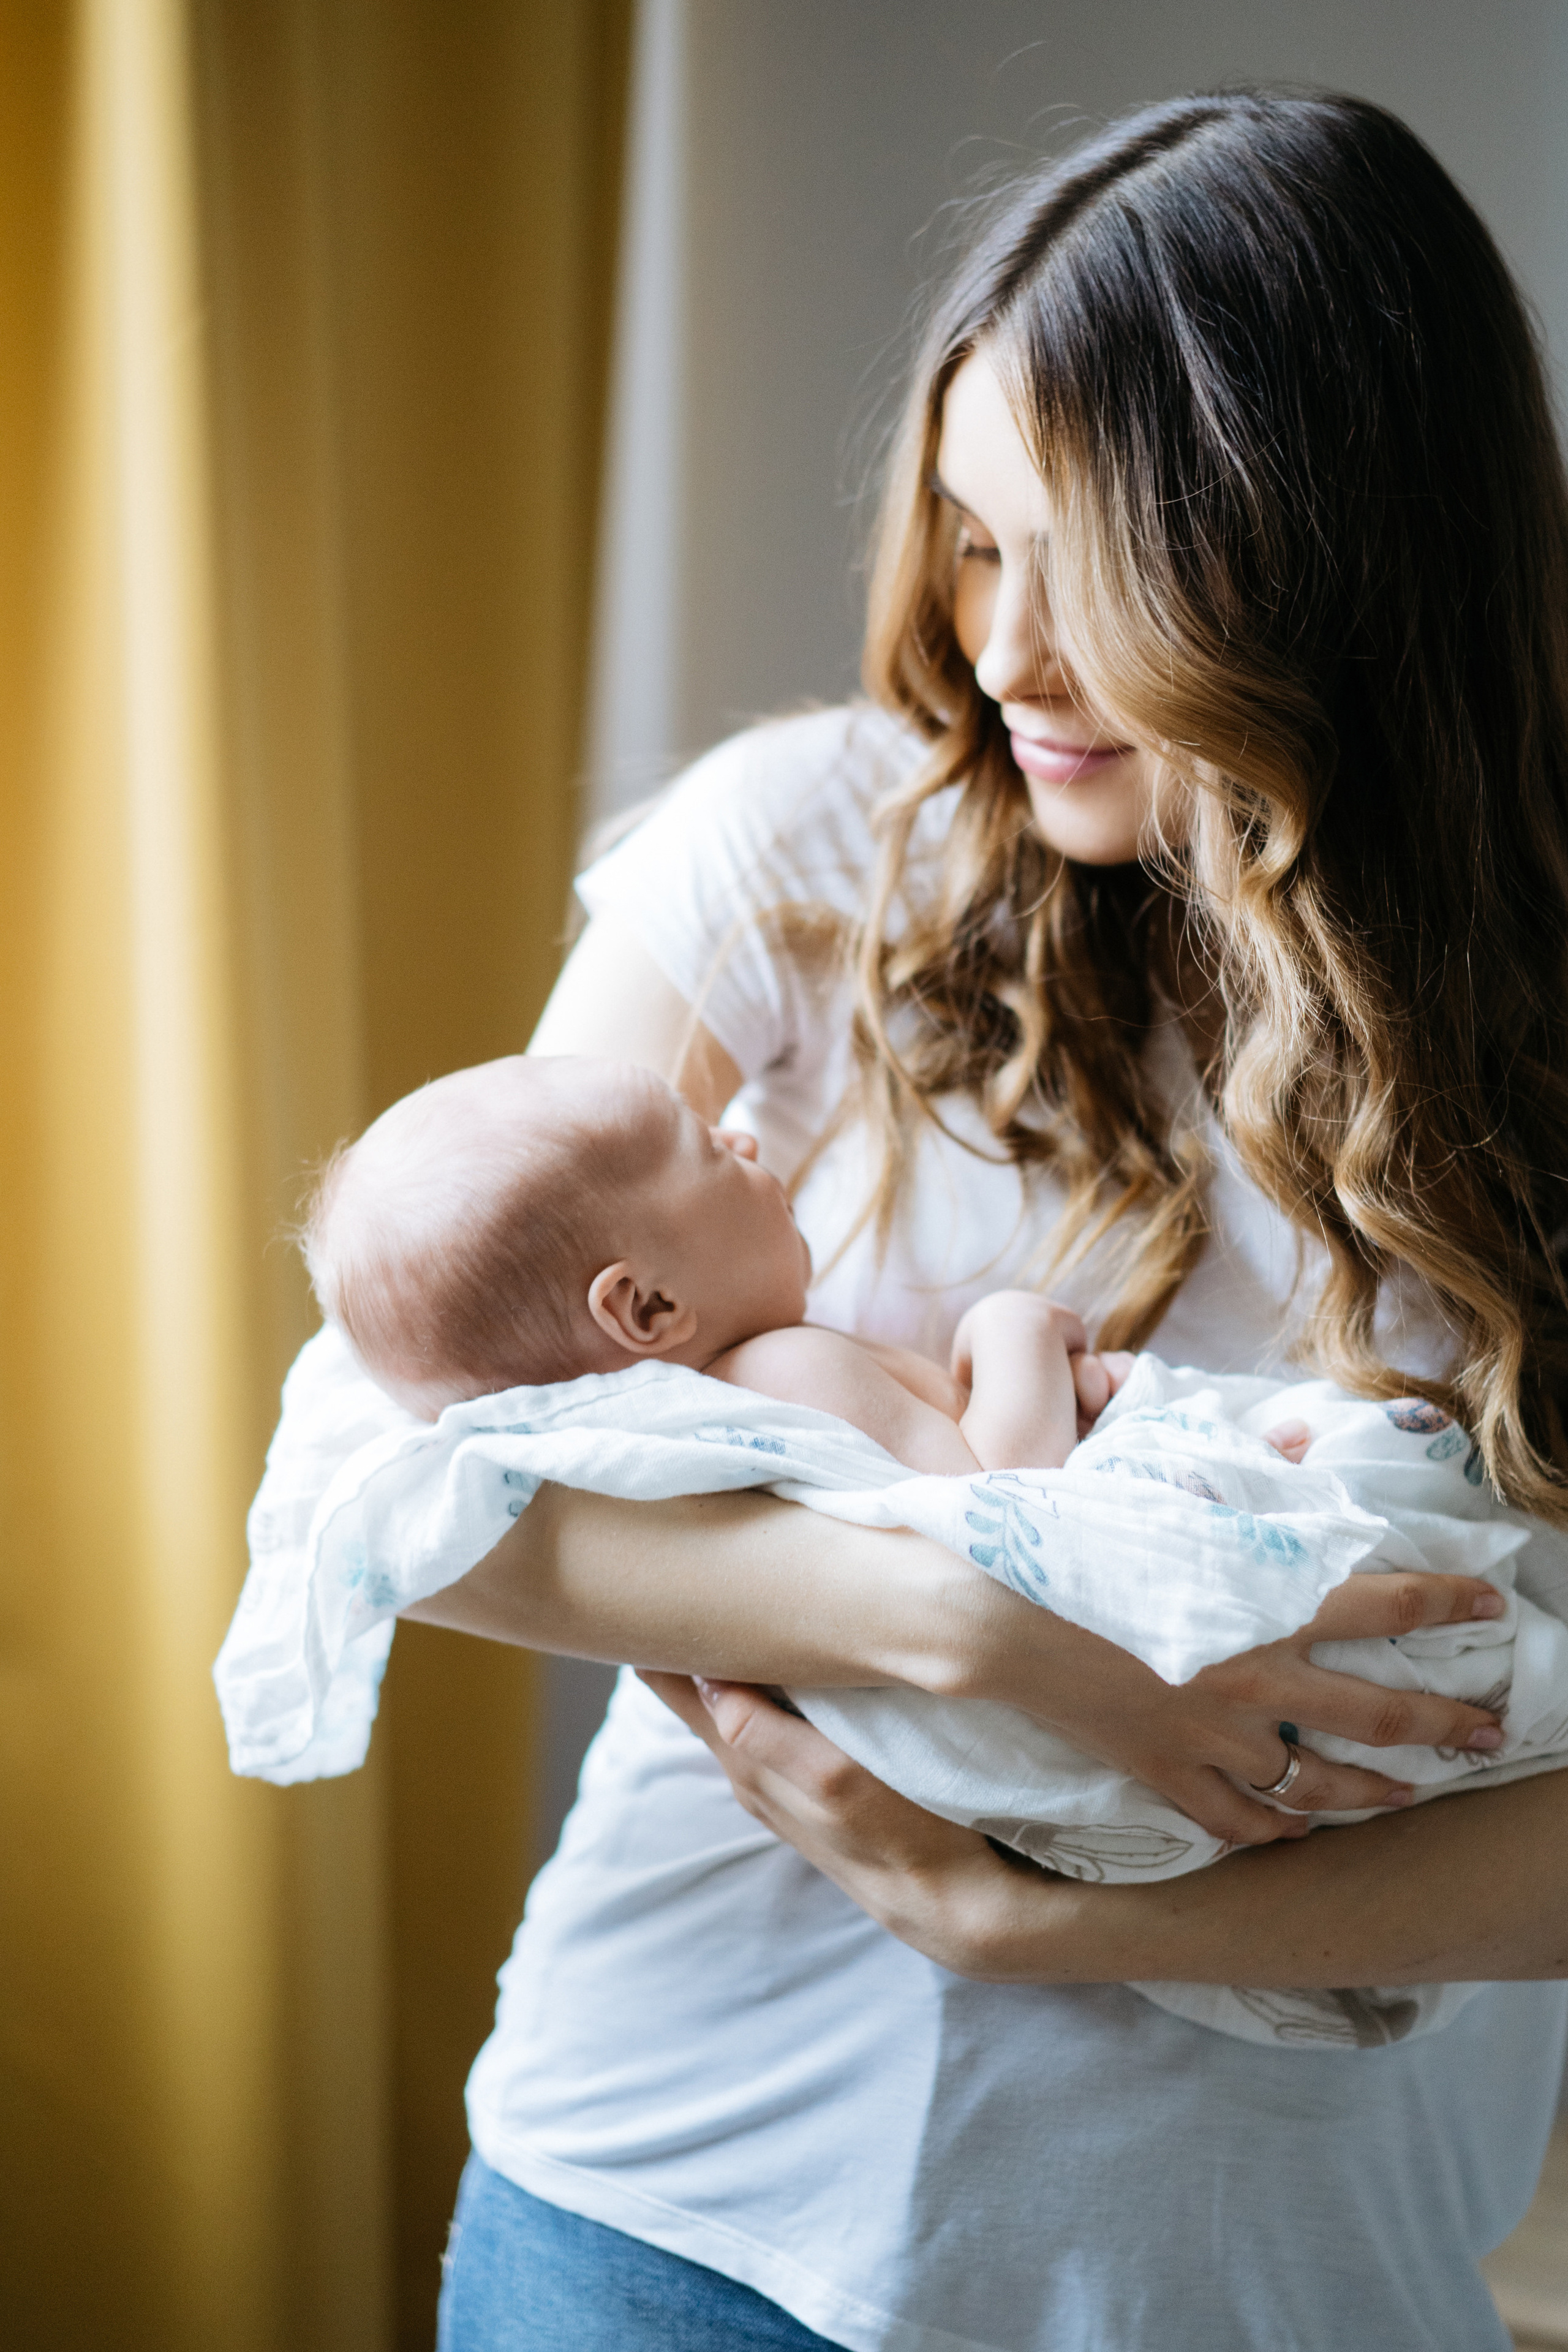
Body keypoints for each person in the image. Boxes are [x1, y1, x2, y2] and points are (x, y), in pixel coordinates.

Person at [390, 89, 1568, 2350]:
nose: (1004, 651)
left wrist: (1056, 1922)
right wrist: (986, 1642)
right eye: (969, 540)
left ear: (1319, 561)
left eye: (1083, 560)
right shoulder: (806, 850)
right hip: (679, 2215)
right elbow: (395, 1480)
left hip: (1276, 2285)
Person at [301, 1050, 1133, 1466]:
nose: (743, 1137)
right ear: (649, 1309)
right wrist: (1010, 1330)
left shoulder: (748, 1388)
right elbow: (1001, 1498)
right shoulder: (784, 1373)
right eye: (707, 1149)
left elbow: (940, 1439)